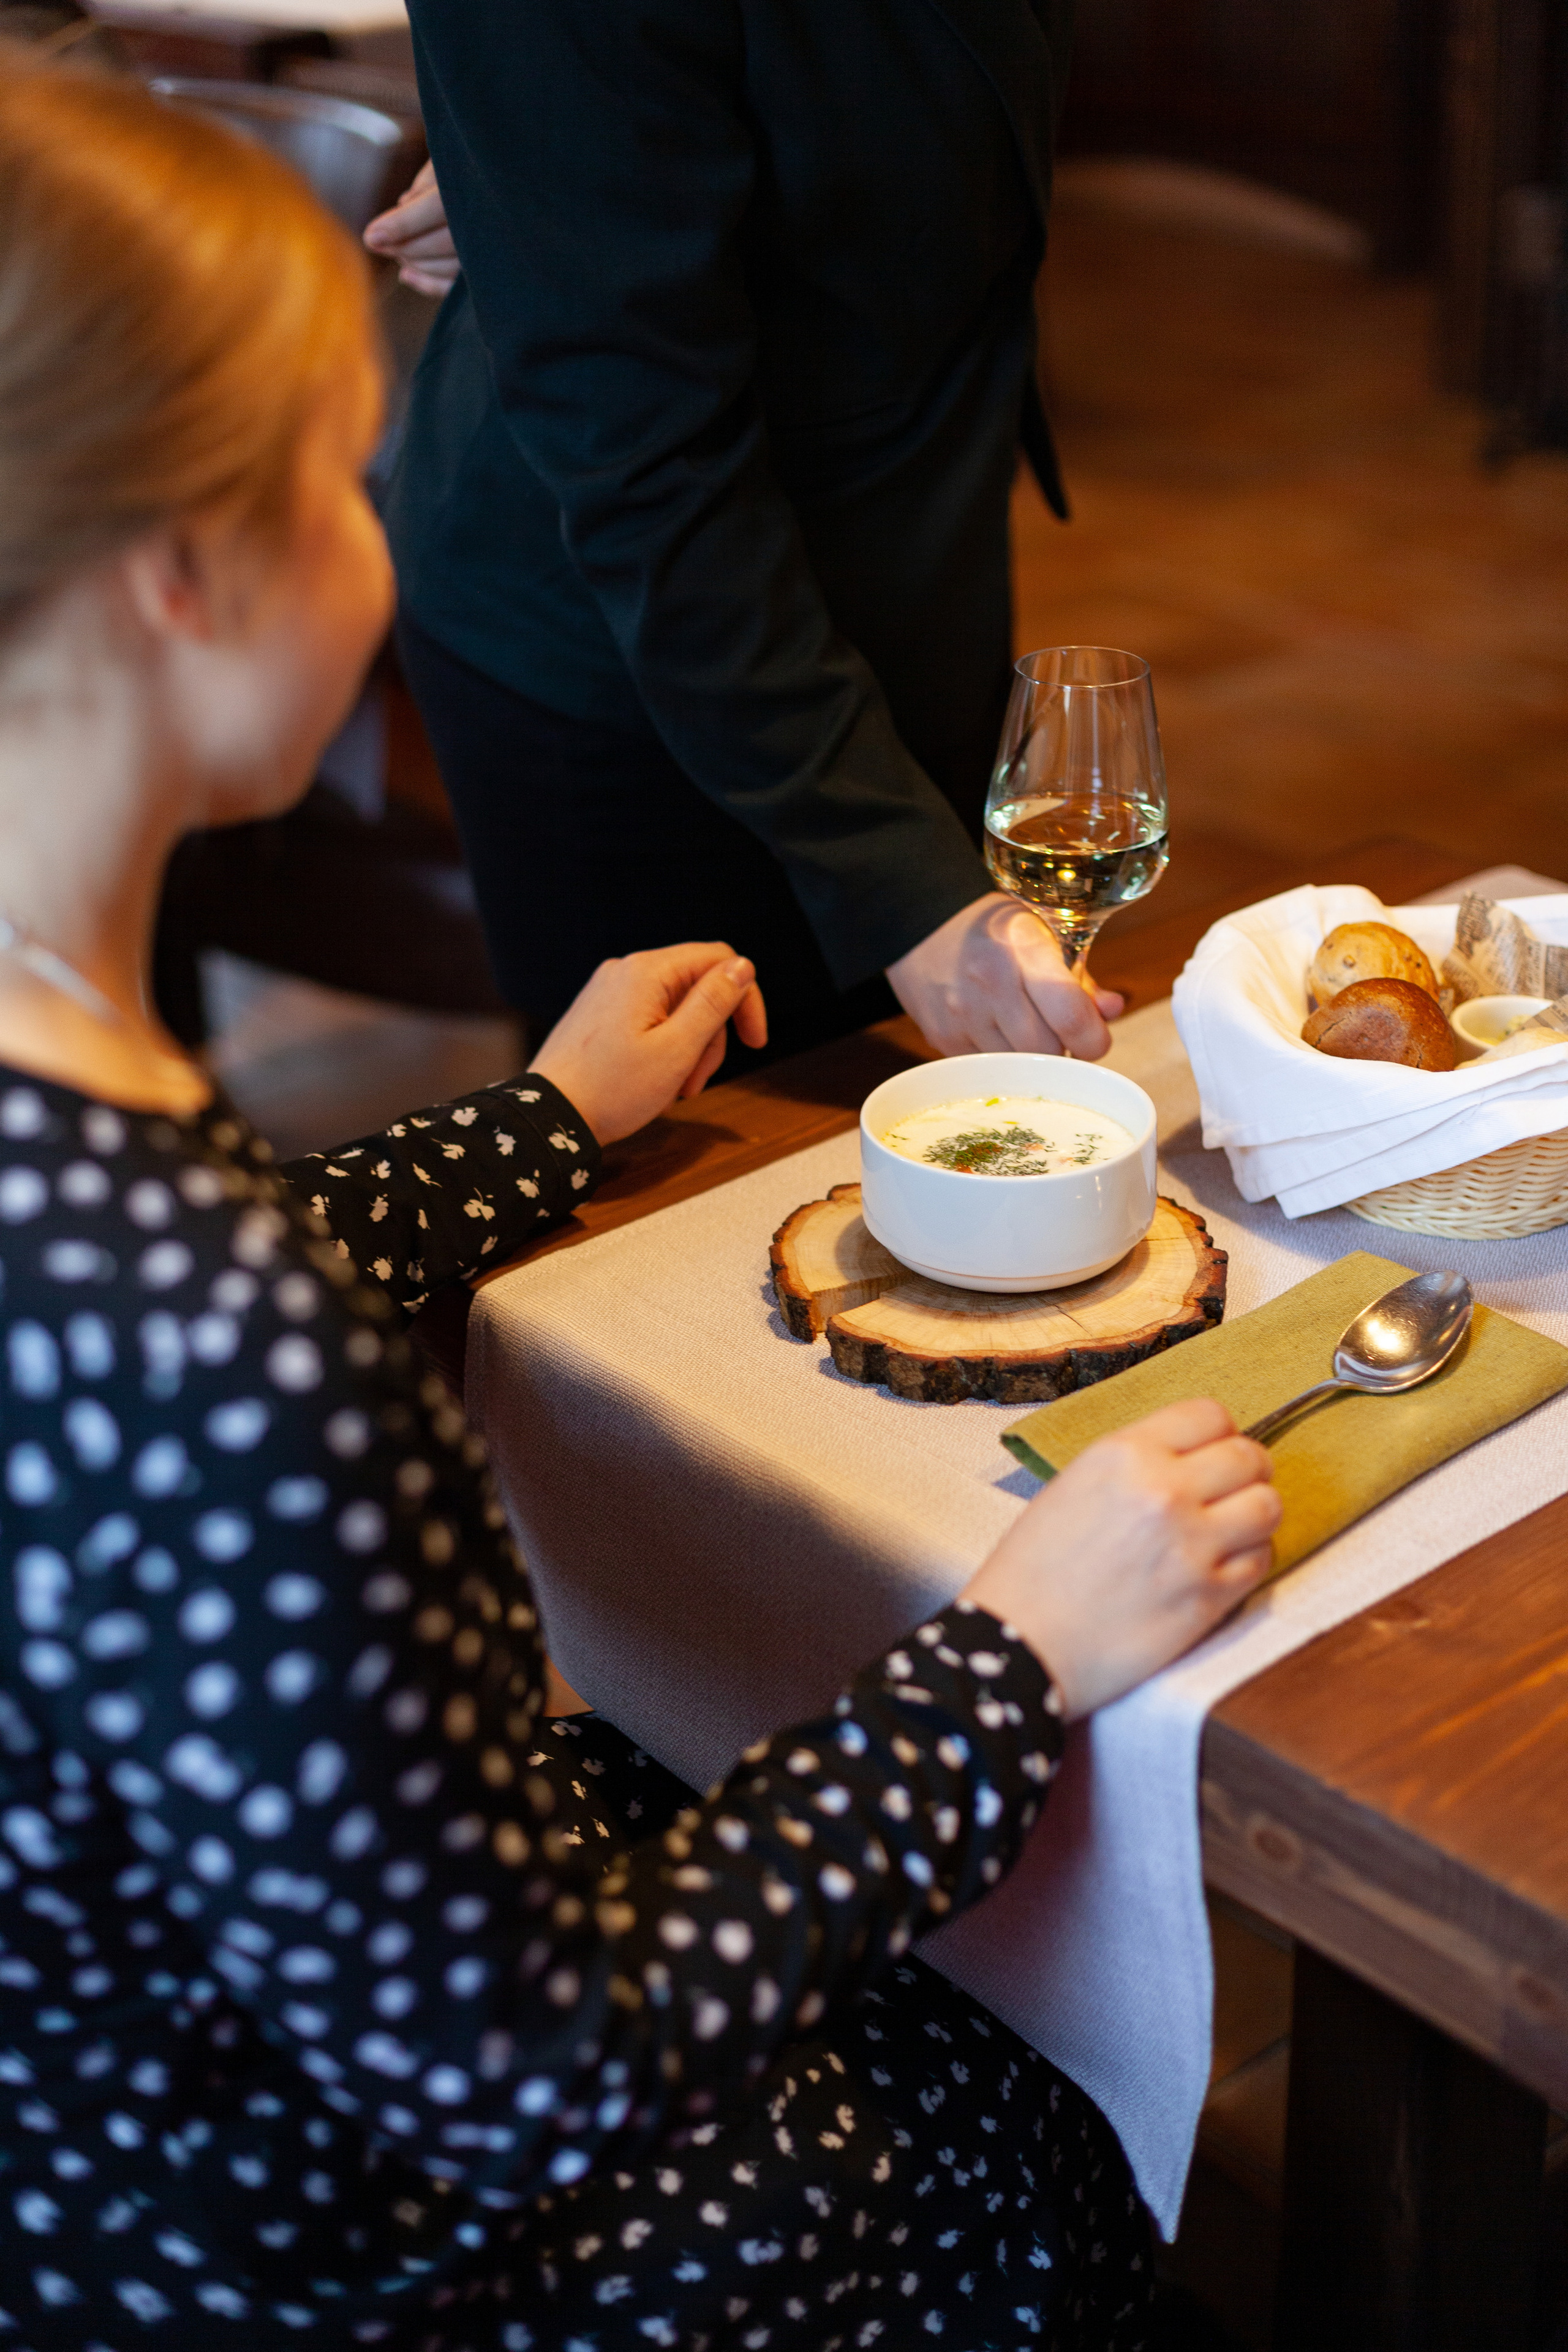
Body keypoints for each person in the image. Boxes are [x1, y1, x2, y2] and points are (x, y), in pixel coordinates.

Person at [0, 55, 1281, 2350]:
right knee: (1061, 2122)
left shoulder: (95, 1164)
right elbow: (539, 2077)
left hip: (118, 2136)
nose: (396, 505)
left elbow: (191, 1290)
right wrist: (1010, 1661)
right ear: (183, 580)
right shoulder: (219, 1355)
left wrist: (543, 1123)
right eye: (339, 463)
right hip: (337, 2256)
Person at [369, 2, 1127, 1073]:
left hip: (914, 529)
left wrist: (591, 155)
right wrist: (548, 165)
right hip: (645, 633)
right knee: (714, 1177)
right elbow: (643, 455)